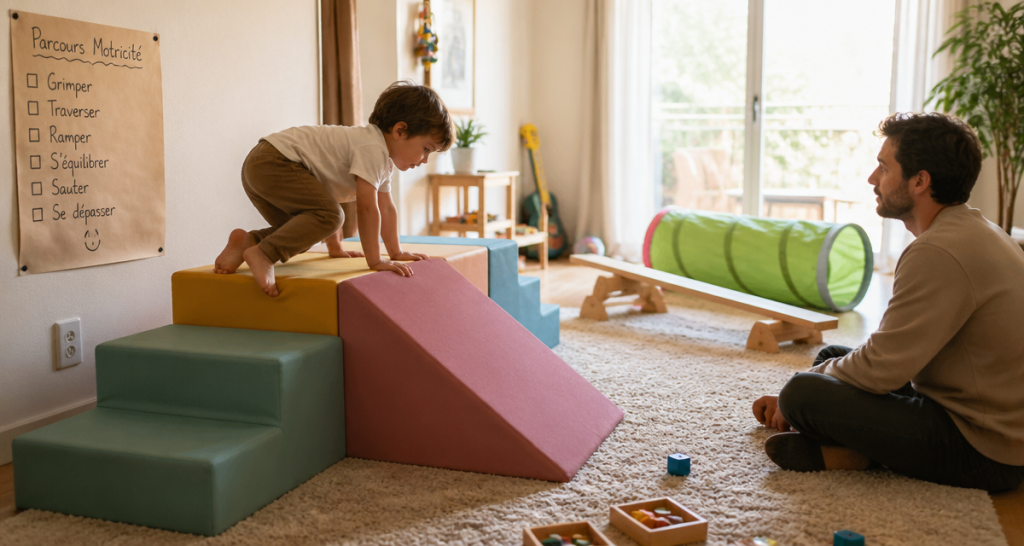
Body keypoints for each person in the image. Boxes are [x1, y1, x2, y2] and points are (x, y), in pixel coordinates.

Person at [752, 112, 1024, 493]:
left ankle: (858, 452)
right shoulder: (972, 229)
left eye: (883, 166)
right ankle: (851, 453)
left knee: (802, 392)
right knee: (830, 354)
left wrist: (792, 396)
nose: (872, 178)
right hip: (971, 411)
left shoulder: (938, 251)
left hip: (985, 451)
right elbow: (894, 354)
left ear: (919, 181)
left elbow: (882, 370)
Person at [213, 81, 454, 296]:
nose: (425, 160)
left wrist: (394, 252)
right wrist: (375, 260)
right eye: (426, 149)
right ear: (400, 131)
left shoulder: (382, 159)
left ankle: (248, 242)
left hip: (259, 164)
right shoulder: (373, 149)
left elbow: (386, 208)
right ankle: (263, 253)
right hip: (275, 161)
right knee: (330, 217)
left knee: (302, 232)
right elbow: (368, 209)